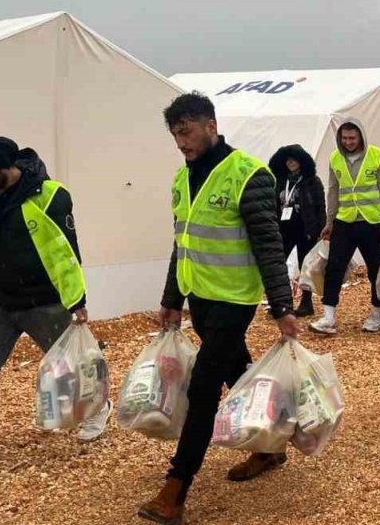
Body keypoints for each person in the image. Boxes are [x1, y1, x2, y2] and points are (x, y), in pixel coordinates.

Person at [140, 93, 302, 524]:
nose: (181, 142)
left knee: (204, 387)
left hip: (234, 299)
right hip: (201, 298)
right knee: (237, 370)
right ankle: (268, 446)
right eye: (175, 134)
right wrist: (172, 300)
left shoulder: (248, 175)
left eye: (186, 131)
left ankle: (175, 490)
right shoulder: (182, 178)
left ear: (210, 126)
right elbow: (183, 242)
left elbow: (270, 244)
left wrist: (282, 306)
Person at [0, 135, 110, 479]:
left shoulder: (51, 197)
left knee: (72, 365)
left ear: (4, 165)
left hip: (44, 303)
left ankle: (98, 407)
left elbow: (65, 254)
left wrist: (76, 300)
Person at [310, 119, 380, 335]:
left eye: (352, 138)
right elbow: (333, 191)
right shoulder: (335, 158)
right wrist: (330, 222)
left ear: (361, 136)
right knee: (334, 267)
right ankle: (328, 316)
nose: (348, 142)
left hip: (373, 222)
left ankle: (376, 314)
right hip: (344, 222)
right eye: (344, 138)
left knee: (375, 270)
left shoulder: (377, 156)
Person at [268, 145, 326, 317]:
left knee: (305, 266)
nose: (291, 163)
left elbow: (320, 207)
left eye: (294, 159)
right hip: (283, 228)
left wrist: (321, 230)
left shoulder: (312, 181)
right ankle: (283, 303)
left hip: (305, 228)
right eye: (288, 159)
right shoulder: (279, 181)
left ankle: (306, 303)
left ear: (302, 161)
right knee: (278, 265)